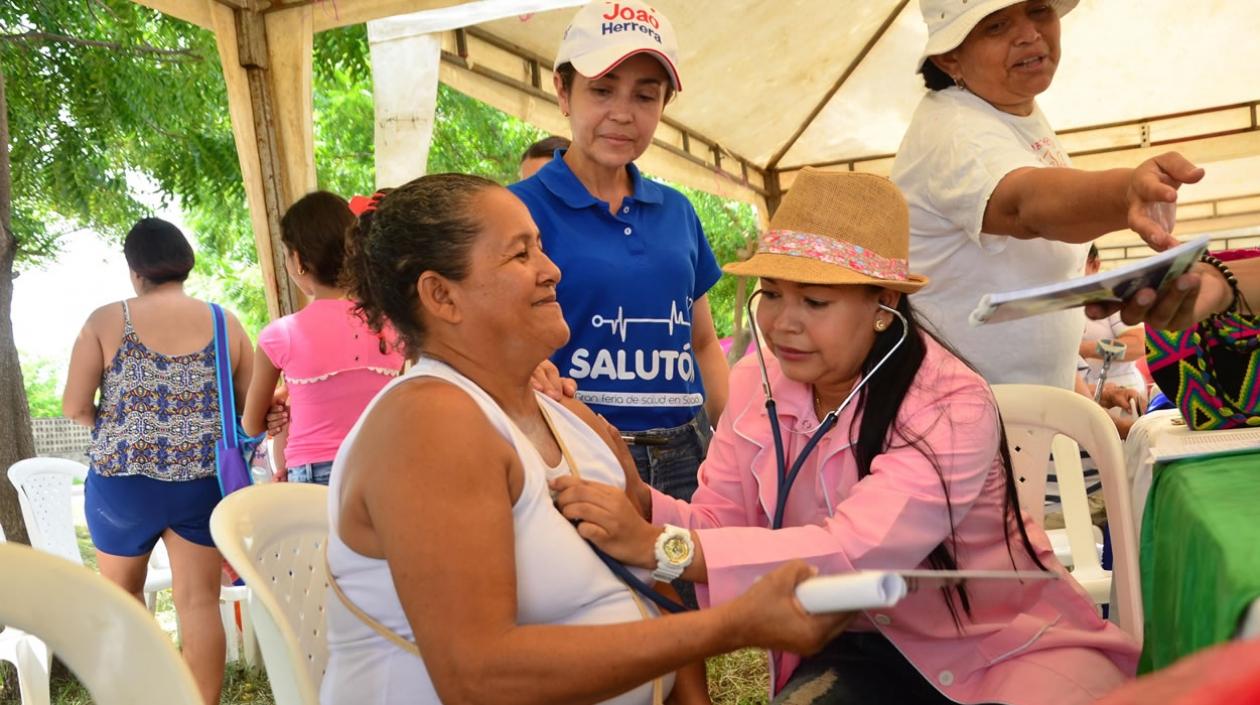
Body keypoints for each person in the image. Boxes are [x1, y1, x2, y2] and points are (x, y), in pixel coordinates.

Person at [553, 169, 1140, 705]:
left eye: (814, 301)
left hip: (1006, 644)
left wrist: (660, 547)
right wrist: (639, 499)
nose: (784, 323)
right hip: (858, 645)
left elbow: (851, 553)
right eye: (773, 294)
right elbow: (719, 523)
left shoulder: (950, 403)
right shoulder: (756, 387)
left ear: (884, 305)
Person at [321, 172, 849, 705]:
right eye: (519, 255)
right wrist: (731, 626)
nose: (552, 271)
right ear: (441, 295)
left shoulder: (566, 415)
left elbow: (653, 580)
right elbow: (479, 677)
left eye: (541, 249)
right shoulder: (427, 424)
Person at [891, 0, 1207, 390]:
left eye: (1039, 10)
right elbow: (1026, 206)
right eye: (995, 25)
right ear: (949, 60)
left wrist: (1080, 392)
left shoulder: (1010, 111)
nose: (1029, 34)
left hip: (1020, 413)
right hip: (963, 422)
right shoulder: (956, 130)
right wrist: (1125, 192)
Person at [509, 0, 728, 504]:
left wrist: (732, 444)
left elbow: (703, 343)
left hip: (689, 454)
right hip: (576, 452)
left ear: (664, 105)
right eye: (602, 91)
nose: (623, 114)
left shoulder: (678, 212)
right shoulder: (515, 211)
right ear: (563, 91)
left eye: (645, 96)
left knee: (688, 581)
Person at [62, 218, 253, 705]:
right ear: (182, 263)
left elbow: (75, 407)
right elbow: (250, 410)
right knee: (198, 604)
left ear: (135, 270)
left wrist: (126, 425)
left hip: (122, 488)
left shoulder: (106, 320)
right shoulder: (223, 321)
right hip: (201, 486)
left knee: (124, 603)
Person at [241, 191, 404, 485]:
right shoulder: (391, 323)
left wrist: (275, 405)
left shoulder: (280, 335)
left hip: (313, 480)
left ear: (298, 260)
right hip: (385, 470)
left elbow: (252, 425)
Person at [1079, 246, 1146, 394]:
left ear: (1095, 265)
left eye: (1077, 267)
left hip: (1121, 390)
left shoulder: (1112, 296)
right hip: (1081, 392)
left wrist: (1082, 349)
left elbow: (1138, 345)